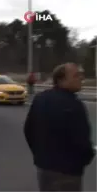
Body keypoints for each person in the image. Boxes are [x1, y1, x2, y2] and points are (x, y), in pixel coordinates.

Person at [24, 63, 95, 192]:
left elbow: (28, 130)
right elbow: (82, 141)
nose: (81, 78)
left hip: (44, 169)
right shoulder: (74, 105)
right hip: (68, 172)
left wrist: (40, 155)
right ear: (61, 80)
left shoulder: (40, 99)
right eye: (76, 76)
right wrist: (84, 160)